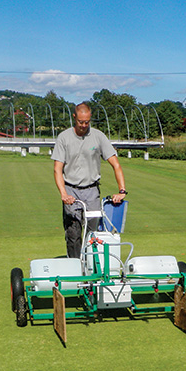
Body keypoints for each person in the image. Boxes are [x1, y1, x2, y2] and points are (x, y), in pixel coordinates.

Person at [52, 102, 127, 258]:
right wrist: (63, 194)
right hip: (71, 191)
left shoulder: (98, 137)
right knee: (73, 233)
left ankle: (92, 268)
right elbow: (57, 169)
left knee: (93, 234)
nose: (84, 125)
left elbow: (116, 164)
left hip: (91, 191)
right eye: (81, 122)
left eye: (87, 122)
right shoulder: (64, 138)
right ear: (74, 118)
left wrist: (122, 191)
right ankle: (75, 268)